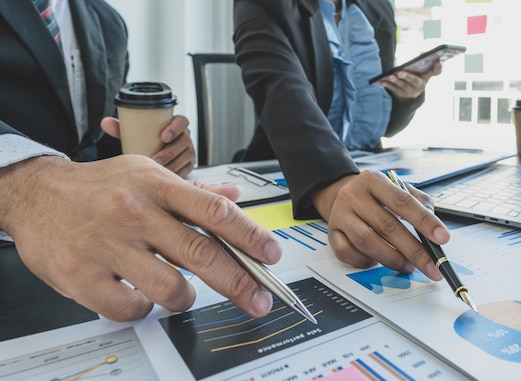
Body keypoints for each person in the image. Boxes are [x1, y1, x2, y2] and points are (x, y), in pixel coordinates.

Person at [0, 0, 282, 322]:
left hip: (102, 257)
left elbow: (98, 142)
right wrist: (27, 188)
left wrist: (153, 157)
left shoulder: (108, 22)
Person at [233, 0, 450, 281]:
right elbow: (281, 86)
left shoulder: (378, 7)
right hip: (289, 170)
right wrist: (334, 183)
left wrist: (407, 98)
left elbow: (385, 127)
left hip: (367, 165)